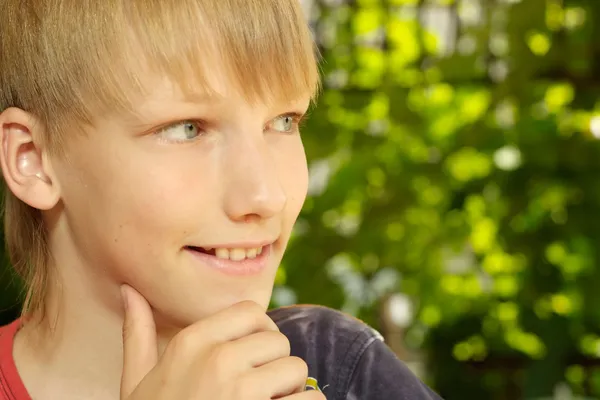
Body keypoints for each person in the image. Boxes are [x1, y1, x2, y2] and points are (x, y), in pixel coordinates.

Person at [0, 1, 443, 399]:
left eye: (285, 121)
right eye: (187, 128)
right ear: (32, 158)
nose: (267, 195)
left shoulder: (339, 369)